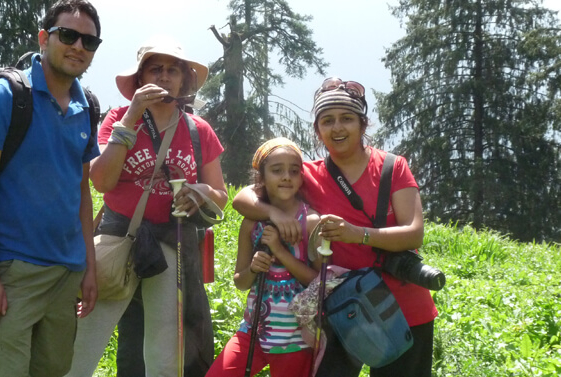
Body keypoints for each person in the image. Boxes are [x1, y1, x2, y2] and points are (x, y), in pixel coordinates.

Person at [232, 77, 438, 377]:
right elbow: (242, 198)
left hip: (404, 308)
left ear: (363, 125)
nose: (337, 128)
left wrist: (358, 234)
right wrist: (274, 214)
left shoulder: (393, 168)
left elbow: (413, 232)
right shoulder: (308, 175)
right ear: (318, 130)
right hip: (340, 310)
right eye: (327, 121)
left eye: (346, 119)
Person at [66, 36, 228, 377]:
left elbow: (221, 195)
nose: (165, 77)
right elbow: (101, 181)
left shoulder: (199, 130)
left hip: (171, 243)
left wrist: (200, 191)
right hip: (118, 237)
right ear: (140, 79)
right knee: (85, 337)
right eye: (156, 69)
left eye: (173, 70)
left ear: (184, 79)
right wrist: (131, 118)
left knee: (165, 349)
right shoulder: (118, 119)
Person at [0, 0, 102, 375]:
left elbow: (82, 192)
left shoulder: (85, 107)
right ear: (44, 37)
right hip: (13, 272)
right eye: (68, 35)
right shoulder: (5, 97)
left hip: (67, 273)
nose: (78, 47)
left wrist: (89, 267)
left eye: (89, 42)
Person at [206, 138, 320, 377]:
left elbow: (320, 282)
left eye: (294, 171)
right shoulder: (251, 223)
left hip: (296, 339)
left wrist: (280, 252)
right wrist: (253, 269)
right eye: (277, 170)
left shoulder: (310, 222)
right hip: (252, 331)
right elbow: (240, 281)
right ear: (261, 178)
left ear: (302, 178)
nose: (286, 176)